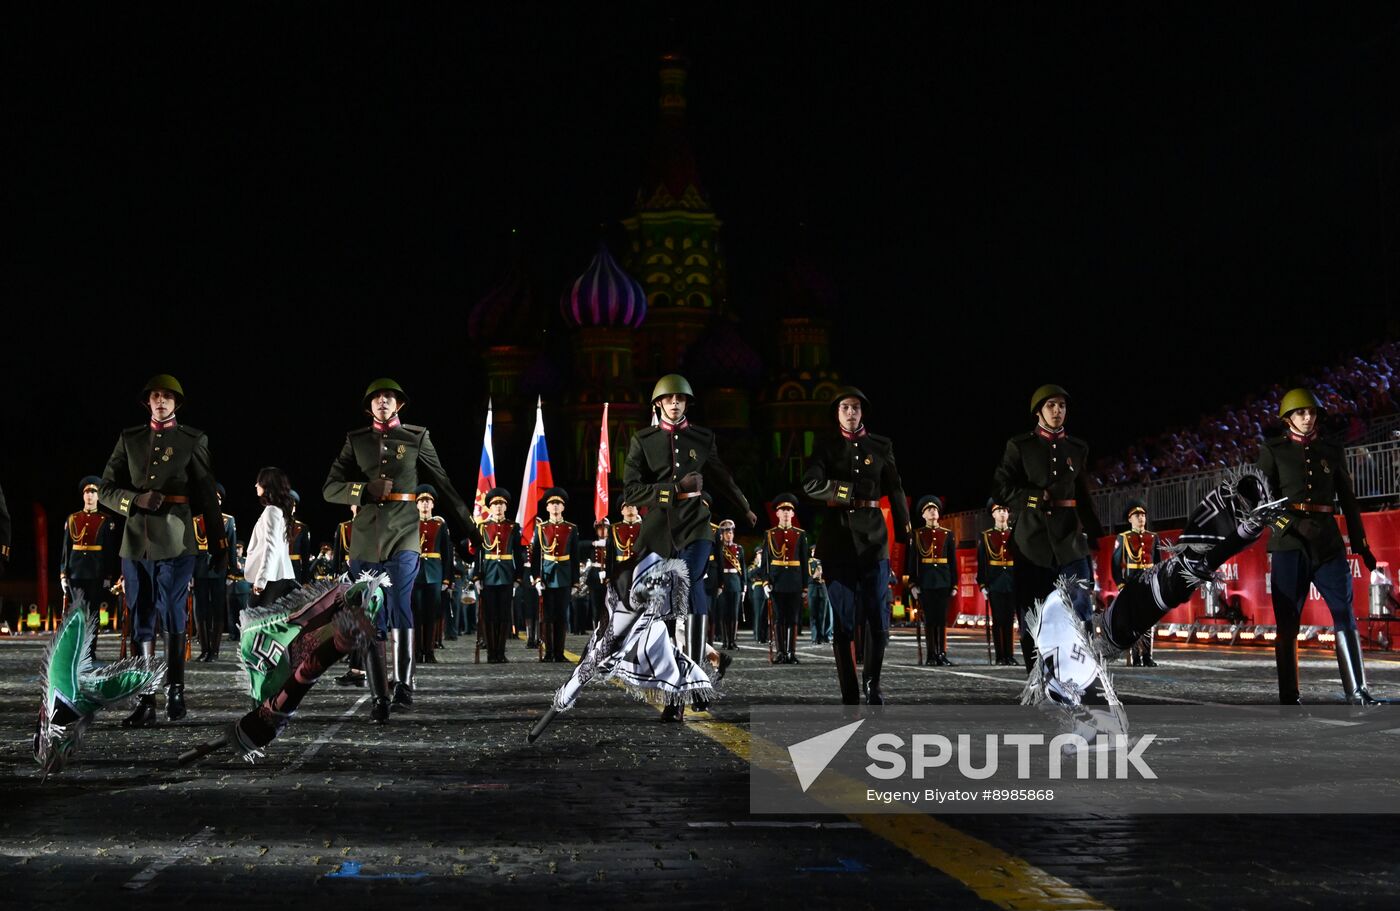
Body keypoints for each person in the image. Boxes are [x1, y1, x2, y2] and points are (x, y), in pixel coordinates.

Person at [323, 378, 481, 712]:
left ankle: (404, 685)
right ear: (369, 406)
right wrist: (362, 490)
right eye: (377, 397)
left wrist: (469, 527)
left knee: (399, 603)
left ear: (400, 404)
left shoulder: (416, 437)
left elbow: (443, 483)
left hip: (405, 534)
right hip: (366, 539)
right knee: (369, 613)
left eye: (389, 397)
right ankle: (380, 695)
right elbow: (329, 488)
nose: (383, 401)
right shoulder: (356, 440)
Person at [623, 374, 754, 720]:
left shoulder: (702, 437)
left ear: (686, 404)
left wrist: (744, 507)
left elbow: (722, 476)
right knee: (671, 608)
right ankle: (680, 692)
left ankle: (691, 686)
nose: (675, 404)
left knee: (688, 582)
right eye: (669, 399)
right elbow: (631, 491)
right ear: (658, 404)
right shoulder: (643, 440)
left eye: (680, 399)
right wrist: (672, 489)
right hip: (659, 532)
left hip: (697, 526)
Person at [100, 374, 225, 727]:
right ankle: (146, 699)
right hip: (135, 543)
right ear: (147, 401)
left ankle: (175, 691)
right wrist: (133, 499)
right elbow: (105, 487)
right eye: (155, 396)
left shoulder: (192, 439)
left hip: (175, 540)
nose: (160, 401)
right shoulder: (130, 439)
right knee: (140, 618)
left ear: (176, 403)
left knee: (171, 610)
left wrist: (219, 543)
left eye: (167, 397)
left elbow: (206, 491)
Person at [1258, 387, 1379, 705]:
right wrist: (1293, 525)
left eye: (1311, 412)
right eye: (1300, 412)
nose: (1307, 417)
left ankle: (1357, 691)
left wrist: (1361, 545)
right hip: (1288, 545)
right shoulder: (1273, 451)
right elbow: (1263, 505)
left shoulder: (1332, 450)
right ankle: (1289, 695)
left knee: (1344, 613)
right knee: (1288, 622)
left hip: (1328, 544)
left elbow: (1349, 501)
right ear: (1287, 418)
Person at [803, 387, 910, 705]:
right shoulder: (825, 445)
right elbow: (810, 483)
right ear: (837, 413)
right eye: (845, 408)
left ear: (863, 412)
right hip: (837, 542)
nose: (851, 413)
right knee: (844, 621)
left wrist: (905, 530)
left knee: (878, 618)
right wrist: (843, 491)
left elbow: (896, 488)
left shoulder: (881, 445)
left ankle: (873, 684)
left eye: (856, 407)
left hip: (874, 541)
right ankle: (849, 691)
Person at [993, 384, 1104, 671]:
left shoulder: (1077, 448)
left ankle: (1083, 674)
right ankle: (1038, 678)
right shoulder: (1020, 446)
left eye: (1062, 406)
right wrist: (1033, 498)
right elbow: (1002, 488)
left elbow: (1082, 493)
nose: (1057, 411)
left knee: (1080, 609)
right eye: (1051, 405)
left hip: (1070, 542)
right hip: (1032, 542)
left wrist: (1096, 533)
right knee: (1033, 614)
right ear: (1038, 411)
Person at [60, 476, 119, 659]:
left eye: (93, 492)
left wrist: (108, 574)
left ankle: (90, 651)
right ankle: (77, 651)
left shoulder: (106, 520)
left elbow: (109, 550)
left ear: (99, 496)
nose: (90, 495)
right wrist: (63, 573)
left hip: (96, 571)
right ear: (83, 495)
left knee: (93, 613)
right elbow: (66, 548)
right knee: (77, 612)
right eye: (87, 492)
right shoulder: (73, 518)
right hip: (76, 571)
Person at [1111, 500, 1165, 667]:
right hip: (1132, 583)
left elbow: (1158, 563)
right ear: (1130, 519)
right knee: (1134, 620)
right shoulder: (1124, 537)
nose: (1141, 518)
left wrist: (1159, 582)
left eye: (1143, 515)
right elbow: (1115, 564)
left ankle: (1147, 656)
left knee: (1149, 620)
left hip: (1149, 583)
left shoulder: (1153, 537)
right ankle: (1135, 657)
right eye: (1137, 515)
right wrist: (1120, 584)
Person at [530, 488, 581, 662]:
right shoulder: (541, 528)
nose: (555, 506)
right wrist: (537, 578)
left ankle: (559, 653)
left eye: (558, 503)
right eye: (552, 503)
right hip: (547, 576)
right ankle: (549, 652)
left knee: (561, 616)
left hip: (565, 576)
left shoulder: (571, 528)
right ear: (547, 507)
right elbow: (536, 556)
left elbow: (575, 557)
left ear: (563, 507)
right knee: (547, 616)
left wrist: (575, 582)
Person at [475, 488, 524, 663]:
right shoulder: (482, 527)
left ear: (506, 507)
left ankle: (500, 652)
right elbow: (479, 555)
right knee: (489, 616)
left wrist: (518, 577)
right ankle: (491, 653)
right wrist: (477, 577)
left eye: (501, 504)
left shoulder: (513, 527)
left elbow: (518, 554)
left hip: (506, 574)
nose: (498, 507)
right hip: (488, 575)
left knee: (503, 615)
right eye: (495, 504)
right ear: (490, 507)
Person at [192, 482, 239, 662]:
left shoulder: (228, 520)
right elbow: (191, 548)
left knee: (218, 609)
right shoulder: (195, 520)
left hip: (219, 569)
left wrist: (232, 571)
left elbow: (231, 547)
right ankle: (204, 649)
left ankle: (215, 651)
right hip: (199, 570)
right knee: (200, 610)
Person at [907, 494, 956, 666]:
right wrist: (913, 583)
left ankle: (942, 653)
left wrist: (954, 584)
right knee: (929, 620)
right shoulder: (917, 534)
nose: (933, 511)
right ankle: (931, 655)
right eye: (929, 509)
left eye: (934, 509)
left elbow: (952, 561)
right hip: (925, 582)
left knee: (941, 620)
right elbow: (913, 561)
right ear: (923, 515)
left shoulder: (947, 534)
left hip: (943, 581)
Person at [761, 493, 810, 664]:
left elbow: (804, 561)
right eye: (783, 510)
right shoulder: (770, 534)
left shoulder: (800, 534)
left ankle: (791, 653)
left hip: (795, 581)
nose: (786, 513)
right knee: (779, 618)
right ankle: (781, 652)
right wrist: (766, 582)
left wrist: (805, 586)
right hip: (777, 582)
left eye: (789, 510)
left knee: (793, 618)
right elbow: (765, 562)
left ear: (793, 514)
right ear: (777, 514)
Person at [245, 468, 299, 607]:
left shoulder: (272, 511)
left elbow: (271, 547)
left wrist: (261, 580)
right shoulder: (279, 510)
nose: (256, 485)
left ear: (268, 485)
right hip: (278, 575)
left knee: (254, 616)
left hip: (272, 577)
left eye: (259, 482)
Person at [412, 485, 454, 664]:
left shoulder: (440, 525)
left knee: (431, 614)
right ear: (416, 504)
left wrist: (447, 578)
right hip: (414, 574)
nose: (424, 504)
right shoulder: (410, 524)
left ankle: (429, 651)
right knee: (416, 614)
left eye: (428, 501)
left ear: (433, 504)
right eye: (421, 501)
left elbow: (447, 553)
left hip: (434, 574)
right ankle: (416, 651)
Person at [976, 499, 1017, 666]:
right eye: (999, 510)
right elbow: (982, 562)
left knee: (1009, 620)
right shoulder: (986, 536)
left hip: (1012, 583)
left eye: (1005, 510)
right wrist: (983, 585)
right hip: (995, 583)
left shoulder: (1014, 534)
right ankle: (1000, 655)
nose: (1002, 513)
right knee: (998, 620)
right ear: (993, 514)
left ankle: (1010, 655)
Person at [715, 519, 747, 650]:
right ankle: (725, 641)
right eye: (726, 533)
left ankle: (732, 641)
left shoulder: (739, 549)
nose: (729, 535)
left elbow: (743, 568)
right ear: (722, 534)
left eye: (731, 532)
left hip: (735, 583)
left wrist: (744, 585)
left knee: (734, 614)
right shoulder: (718, 548)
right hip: (722, 582)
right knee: (723, 614)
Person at [288, 491, 313, 584]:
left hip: (295, 569)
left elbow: (305, 555)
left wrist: (305, 579)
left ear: (294, 508)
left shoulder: (302, 527)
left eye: (290, 505)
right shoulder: (275, 525)